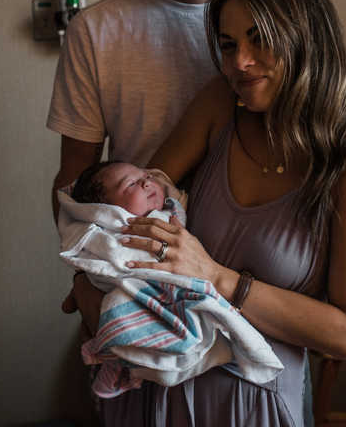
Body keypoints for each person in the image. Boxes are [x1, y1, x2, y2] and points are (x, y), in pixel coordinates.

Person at [48, 0, 346, 423]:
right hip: (148, 362)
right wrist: (94, 276)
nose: (239, 62)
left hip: (258, 395)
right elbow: (88, 192)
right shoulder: (183, 83)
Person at [57, 161, 282, 399]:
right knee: (117, 304)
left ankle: (132, 363)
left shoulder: (170, 213)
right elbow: (108, 260)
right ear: (105, 209)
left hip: (177, 292)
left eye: (146, 175)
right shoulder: (108, 231)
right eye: (131, 183)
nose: (147, 181)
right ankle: (122, 361)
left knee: (193, 323)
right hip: (136, 287)